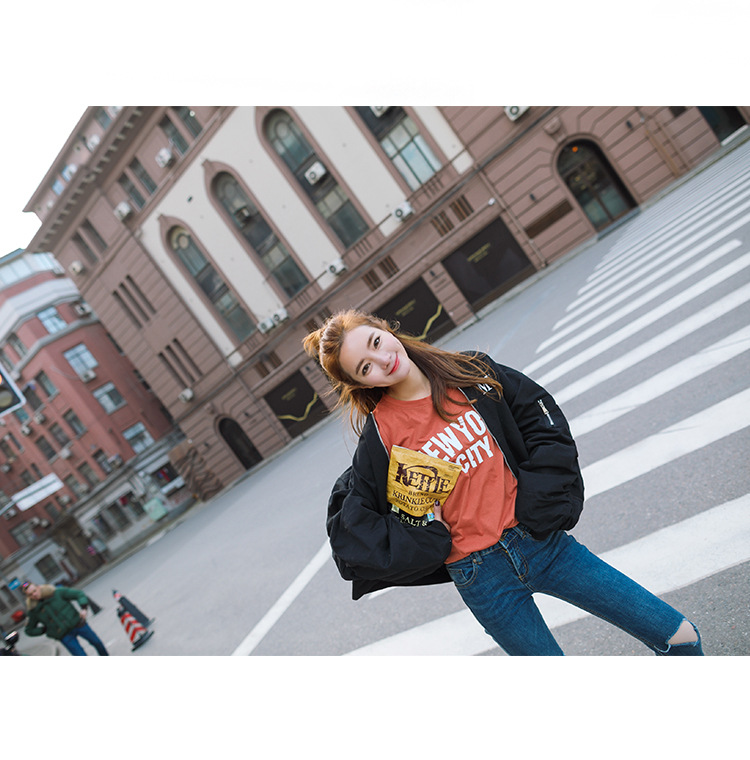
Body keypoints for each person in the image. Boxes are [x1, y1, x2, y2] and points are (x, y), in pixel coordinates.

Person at [303, 309, 703, 656]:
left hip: (543, 544)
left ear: (385, 330)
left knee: (679, 636)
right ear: (363, 384)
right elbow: (353, 527)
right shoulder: (381, 435)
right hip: (480, 576)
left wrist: (538, 501)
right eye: (365, 368)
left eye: (375, 342)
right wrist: (427, 537)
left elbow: (541, 423)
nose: (382, 360)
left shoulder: (471, 371)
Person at [22, 582, 109, 656]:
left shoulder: (57, 592)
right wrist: (44, 630)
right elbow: (29, 630)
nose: (34, 595)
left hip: (78, 624)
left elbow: (78, 594)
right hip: (64, 635)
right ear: (28, 597)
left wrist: (84, 608)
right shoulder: (33, 611)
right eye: (30, 594)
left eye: (34, 591)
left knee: (97, 643)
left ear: (38, 587)